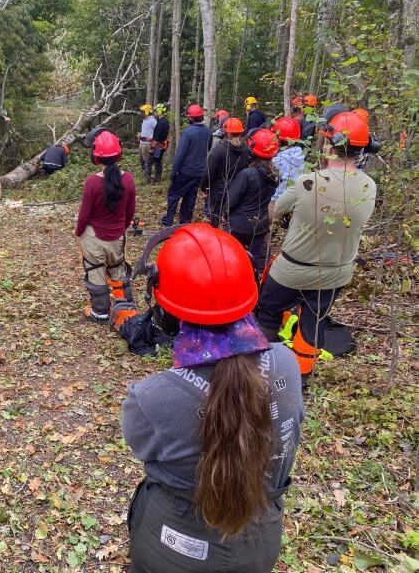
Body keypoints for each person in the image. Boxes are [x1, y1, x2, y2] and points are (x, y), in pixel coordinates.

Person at [123, 223, 304, 573]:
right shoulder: (287, 364)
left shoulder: (148, 399)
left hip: (173, 544)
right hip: (259, 541)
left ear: (167, 312)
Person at [256, 111, 377, 379]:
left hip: (293, 270)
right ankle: (301, 376)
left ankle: (262, 365)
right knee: (314, 319)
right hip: (338, 273)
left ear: (328, 144)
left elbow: (273, 213)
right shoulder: (370, 186)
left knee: (267, 308)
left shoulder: (307, 183)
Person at [75, 129, 136, 323]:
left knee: (95, 270)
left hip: (94, 237)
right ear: (119, 154)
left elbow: (84, 215)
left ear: (96, 157)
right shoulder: (129, 179)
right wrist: (121, 228)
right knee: (118, 269)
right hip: (117, 236)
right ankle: (124, 305)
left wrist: (78, 234)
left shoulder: (92, 183)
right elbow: (129, 212)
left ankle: (100, 311)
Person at [226, 128, 281, 277]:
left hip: (239, 225)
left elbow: (231, 201)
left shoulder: (247, 174)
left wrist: (225, 214)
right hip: (260, 225)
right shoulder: (275, 174)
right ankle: (254, 283)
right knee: (254, 261)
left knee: (230, 257)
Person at [161, 104, 212, 227]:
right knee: (190, 196)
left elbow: (180, 154)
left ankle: (168, 221)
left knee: (173, 194)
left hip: (185, 171)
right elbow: (208, 148)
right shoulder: (208, 131)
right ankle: (185, 222)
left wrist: (174, 171)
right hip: (199, 172)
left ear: (191, 118)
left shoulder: (188, 132)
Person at [199, 117, 251, 228]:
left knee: (216, 221)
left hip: (218, 192)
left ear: (226, 133)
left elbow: (209, 172)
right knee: (230, 222)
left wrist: (204, 187)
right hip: (238, 191)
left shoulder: (219, 150)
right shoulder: (246, 150)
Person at [270, 116, 306, 210]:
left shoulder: (277, 161)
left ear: (278, 139)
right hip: (297, 202)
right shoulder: (302, 156)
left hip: (277, 203)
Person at [150, 104, 171, 183]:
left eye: (155, 111)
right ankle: (157, 177)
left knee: (156, 161)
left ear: (159, 111)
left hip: (159, 145)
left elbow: (158, 136)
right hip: (162, 144)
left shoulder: (161, 123)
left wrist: (153, 147)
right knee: (158, 161)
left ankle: (157, 178)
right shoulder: (165, 121)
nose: (154, 113)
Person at [138, 104, 158, 184]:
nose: (141, 114)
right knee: (141, 160)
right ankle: (145, 174)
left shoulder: (152, 120)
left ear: (147, 112)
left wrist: (151, 137)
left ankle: (148, 178)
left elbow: (157, 131)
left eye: (143, 112)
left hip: (147, 144)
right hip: (142, 143)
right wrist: (141, 134)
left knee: (147, 161)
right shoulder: (144, 120)